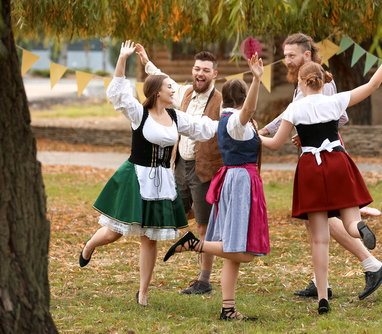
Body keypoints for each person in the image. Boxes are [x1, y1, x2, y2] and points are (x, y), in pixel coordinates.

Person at [260, 33, 382, 314]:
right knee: (350, 221)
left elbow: (276, 143)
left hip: (311, 168)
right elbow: (373, 84)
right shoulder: (335, 100)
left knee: (318, 238)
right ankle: (359, 228)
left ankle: (322, 299)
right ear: (322, 80)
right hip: (338, 162)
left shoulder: (295, 106)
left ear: (303, 83)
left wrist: (257, 138)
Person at [78, 40, 218, 306]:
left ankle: (142, 293)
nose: (173, 90)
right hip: (136, 178)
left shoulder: (177, 117)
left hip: (162, 182)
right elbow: (118, 94)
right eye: (168, 87)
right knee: (113, 233)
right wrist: (122, 60)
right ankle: (89, 246)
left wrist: (235, 123)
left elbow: (204, 127)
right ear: (156, 92)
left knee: (150, 238)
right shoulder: (138, 113)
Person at [164, 53, 268, 321]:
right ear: (242, 98)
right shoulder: (236, 119)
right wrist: (257, 78)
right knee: (241, 252)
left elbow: (250, 127)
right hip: (240, 184)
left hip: (235, 182)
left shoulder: (224, 120)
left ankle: (228, 309)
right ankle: (195, 244)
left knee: (234, 254)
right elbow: (249, 112)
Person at [136, 46, 223, 295]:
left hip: (204, 169)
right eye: (197, 69)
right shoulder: (182, 93)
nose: (200, 73)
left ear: (214, 74)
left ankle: (204, 281)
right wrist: (147, 62)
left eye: (206, 70)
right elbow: (165, 81)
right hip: (179, 165)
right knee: (178, 212)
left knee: (205, 227)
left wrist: (248, 121)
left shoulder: (220, 99)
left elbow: (234, 116)